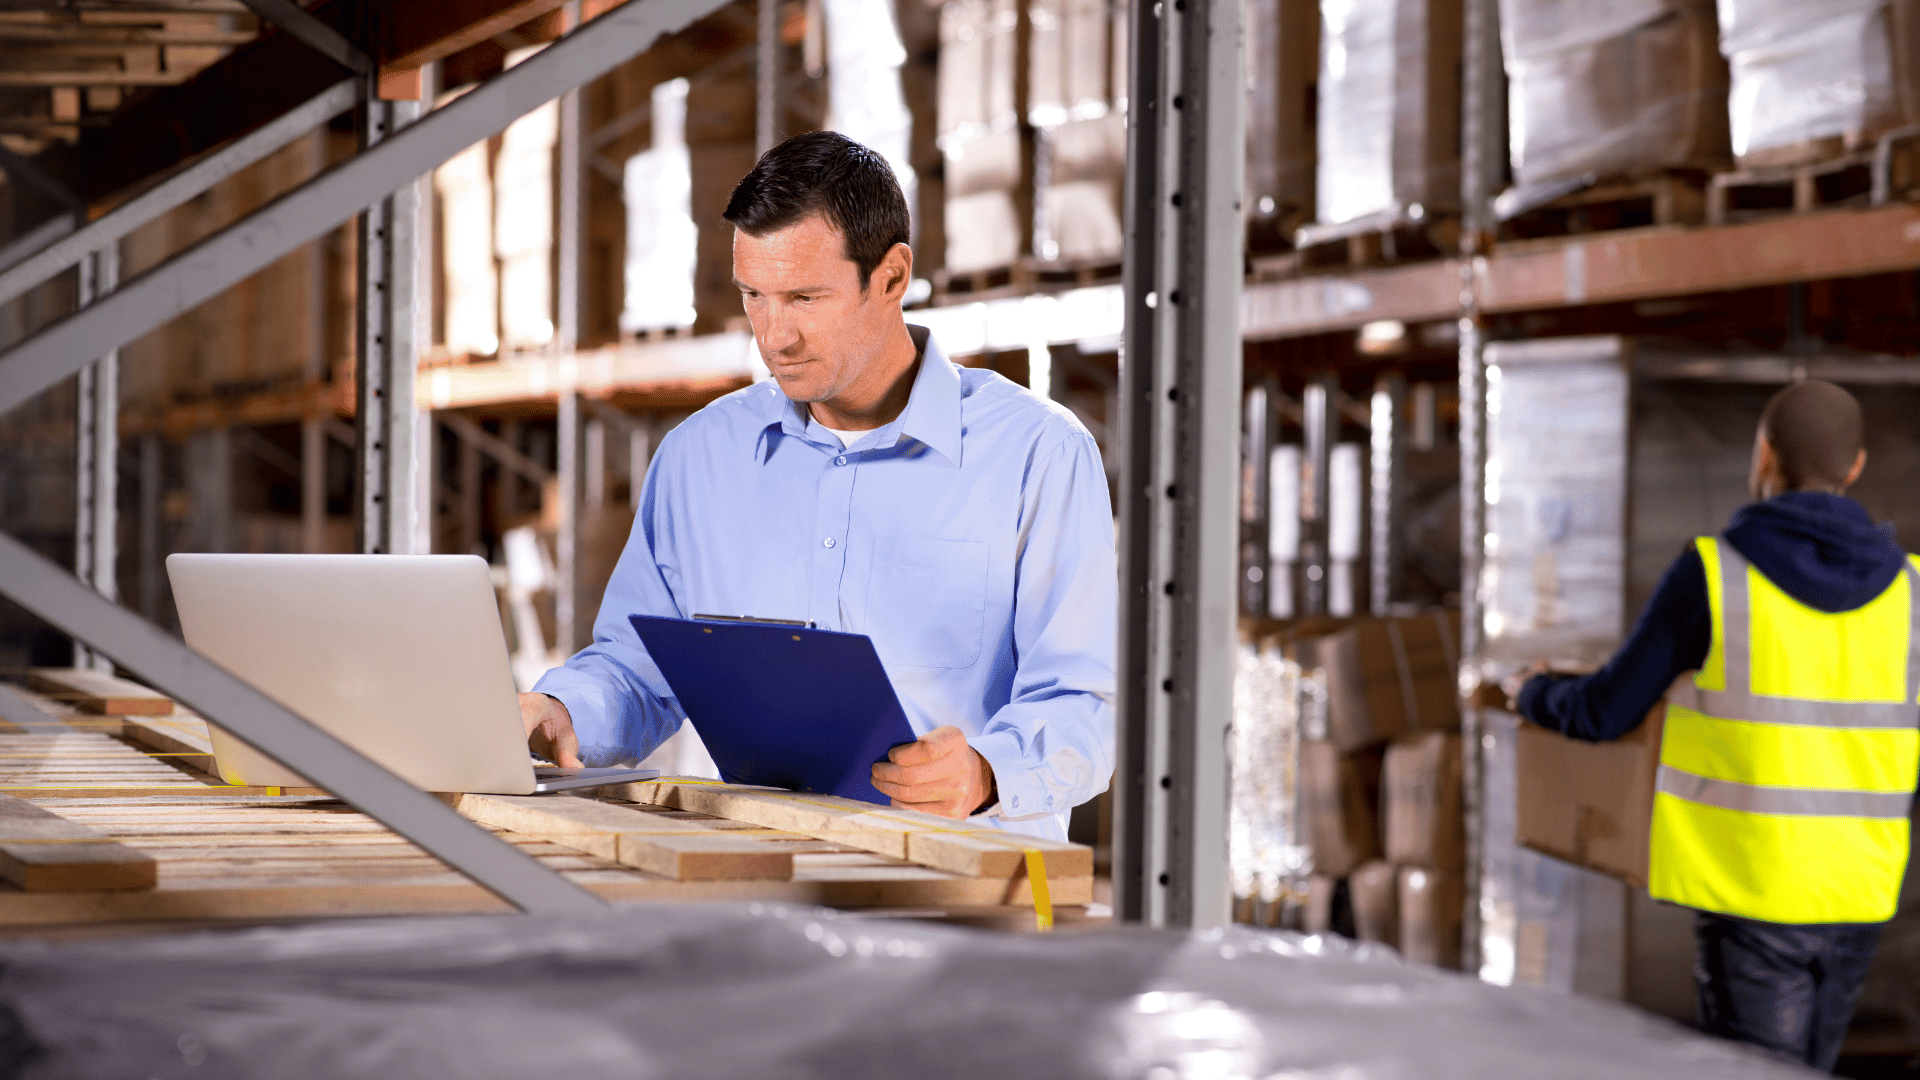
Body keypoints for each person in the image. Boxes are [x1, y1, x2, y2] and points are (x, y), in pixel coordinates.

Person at [517, 131, 1116, 840]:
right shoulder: (699, 459)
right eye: (754, 297)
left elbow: (1086, 703)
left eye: (804, 297)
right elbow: (638, 668)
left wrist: (987, 770)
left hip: (972, 894)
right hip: (765, 889)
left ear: (892, 277)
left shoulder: (1036, 454)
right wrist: (565, 709)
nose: (774, 336)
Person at [1505, 379, 1918, 1072]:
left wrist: (1532, 692)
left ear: (1763, 455)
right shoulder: (1911, 592)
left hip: (1752, 893)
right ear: (1855, 467)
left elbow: (1607, 710)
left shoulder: (1716, 573)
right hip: (1860, 895)